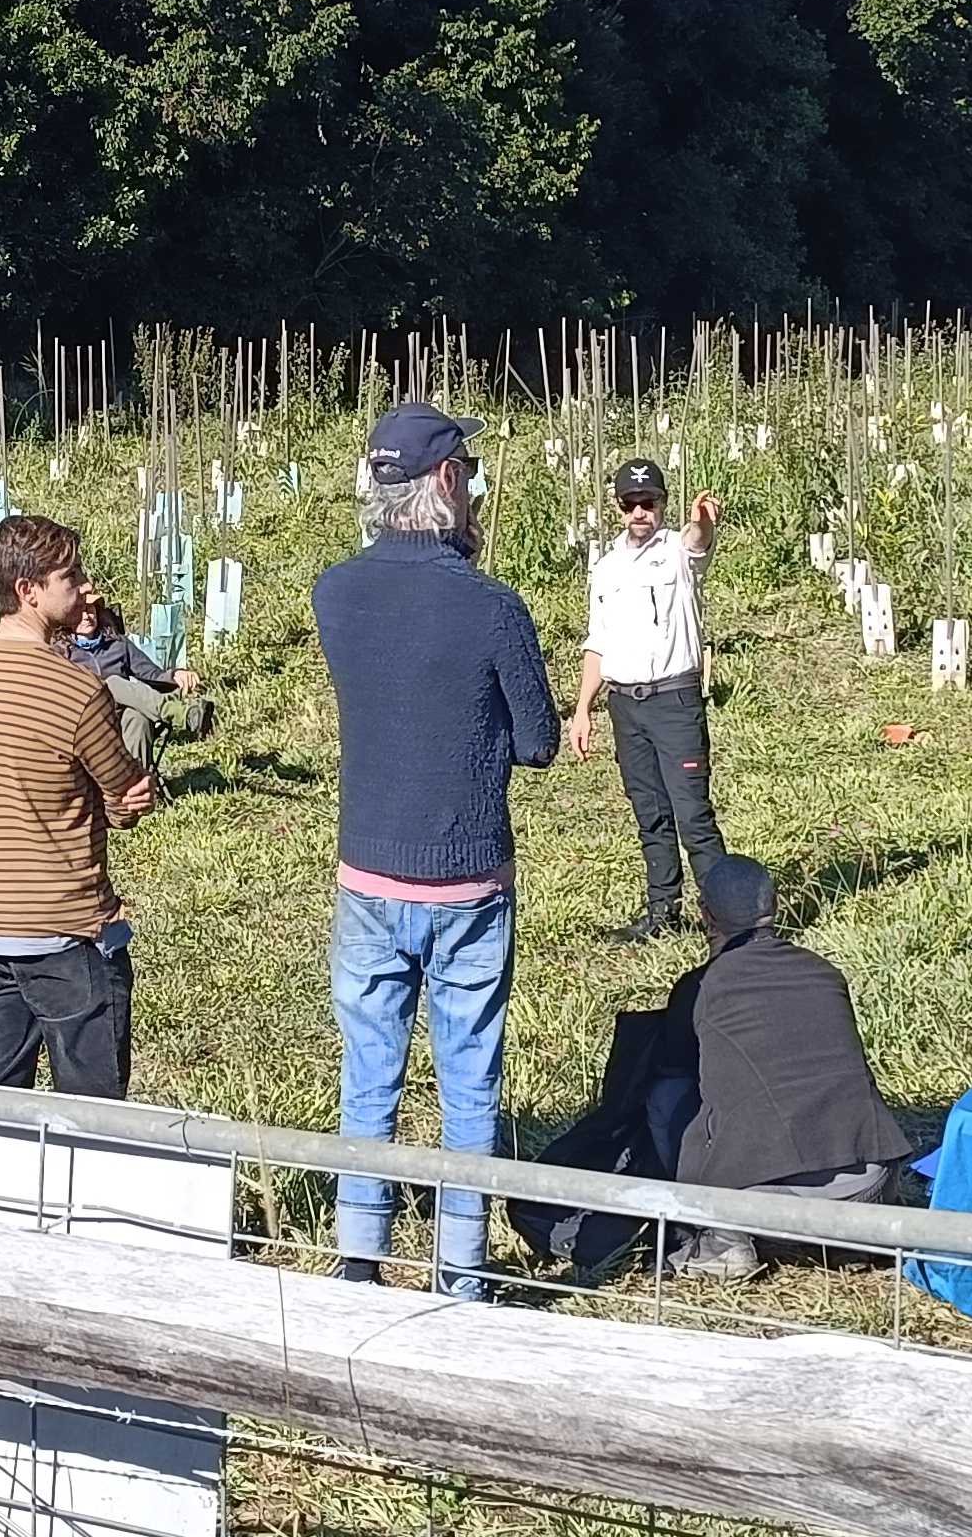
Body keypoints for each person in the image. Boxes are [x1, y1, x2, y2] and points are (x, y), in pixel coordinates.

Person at [311, 400, 559, 1298]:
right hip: (466, 874)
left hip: (367, 870)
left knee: (369, 1071)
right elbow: (535, 740)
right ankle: (461, 1273)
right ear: (449, 482)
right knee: (469, 1079)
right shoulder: (493, 607)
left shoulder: (334, 591)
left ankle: (359, 1258)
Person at [0, 513, 157, 1097]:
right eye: (72, 576)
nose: (86, 587)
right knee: (93, 1108)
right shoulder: (77, 689)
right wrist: (115, 804)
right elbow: (122, 795)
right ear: (29, 591)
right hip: (67, 928)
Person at [639, 854, 912, 1277]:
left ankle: (722, 1241)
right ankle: (848, 1245)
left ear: (706, 915)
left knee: (668, 1095)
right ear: (777, 906)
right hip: (872, 1188)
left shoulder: (702, 989)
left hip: (768, 1206)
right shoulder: (825, 972)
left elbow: (675, 1069)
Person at [568, 459, 726, 941]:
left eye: (649, 503)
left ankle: (726, 918)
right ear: (618, 508)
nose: (641, 512)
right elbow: (599, 641)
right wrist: (582, 710)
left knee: (692, 814)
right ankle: (663, 912)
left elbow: (699, 541)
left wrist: (702, 520)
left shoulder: (678, 551)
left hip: (673, 700)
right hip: (624, 705)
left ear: (662, 504)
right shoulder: (607, 567)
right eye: (631, 504)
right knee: (650, 813)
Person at [61, 594, 212, 775]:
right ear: (67, 617)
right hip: (86, 718)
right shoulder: (62, 652)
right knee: (112, 683)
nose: (87, 616)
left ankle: (136, 783)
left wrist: (175, 674)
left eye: (91, 610)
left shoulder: (117, 644)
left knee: (137, 717)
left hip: (118, 716)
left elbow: (151, 674)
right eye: (80, 612)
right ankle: (180, 713)